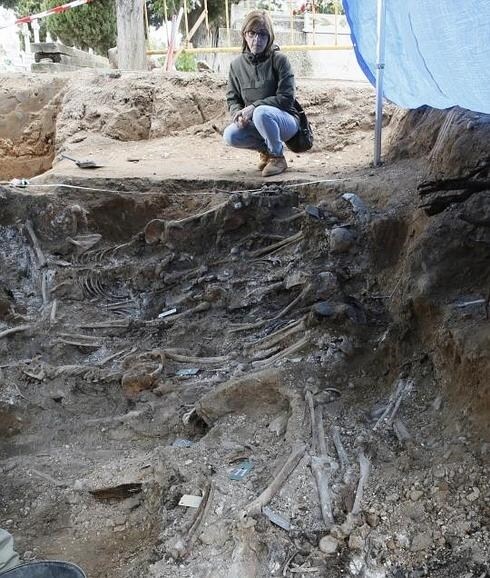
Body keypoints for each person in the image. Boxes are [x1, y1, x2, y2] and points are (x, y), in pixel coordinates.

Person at [223, 10, 299, 177]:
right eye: (252, 33)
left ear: (270, 36)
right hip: (257, 121)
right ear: (244, 34)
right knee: (230, 135)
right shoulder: (236, 65)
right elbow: (232, 98)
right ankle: (265, 150)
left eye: (263, 34)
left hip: (285, 122)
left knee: (261, 112)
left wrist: (254, 107)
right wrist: (238, 114)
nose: (256, 40)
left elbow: (286, 99)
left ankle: (277, 157)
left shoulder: (279, 60)